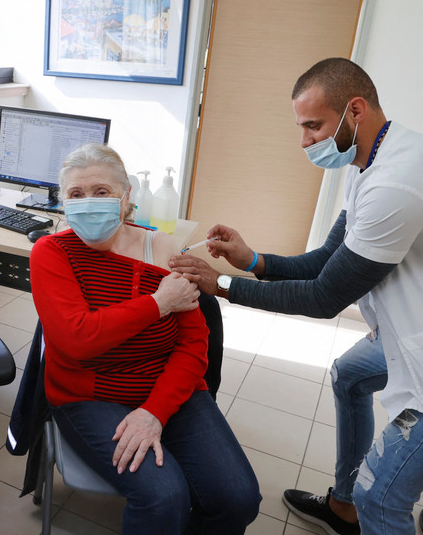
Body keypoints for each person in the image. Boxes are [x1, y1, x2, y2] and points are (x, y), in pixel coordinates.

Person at [169, 57, 423, 534]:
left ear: (355, 110)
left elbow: (324, 297)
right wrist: (251, 260)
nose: (304, 140)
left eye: (312, 125)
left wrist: (220, 285)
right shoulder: (371, 156)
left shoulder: (395, 183)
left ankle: (362, 505)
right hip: (402, 327)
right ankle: (341, 507)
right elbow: (327, 258)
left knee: (382, 499)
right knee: (351, 375)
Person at [29, 143, 260, 534]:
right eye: (76, 194)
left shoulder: (163, 248)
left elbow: (192, 344)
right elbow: (76, 340)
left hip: (168, 388)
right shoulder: (52, 252)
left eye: (101, 192)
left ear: (126, 197)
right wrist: (158, 303)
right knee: (163, 495)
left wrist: (155, 411)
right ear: (62, 202)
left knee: (238, 498)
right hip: (91, 395)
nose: (89, 202)